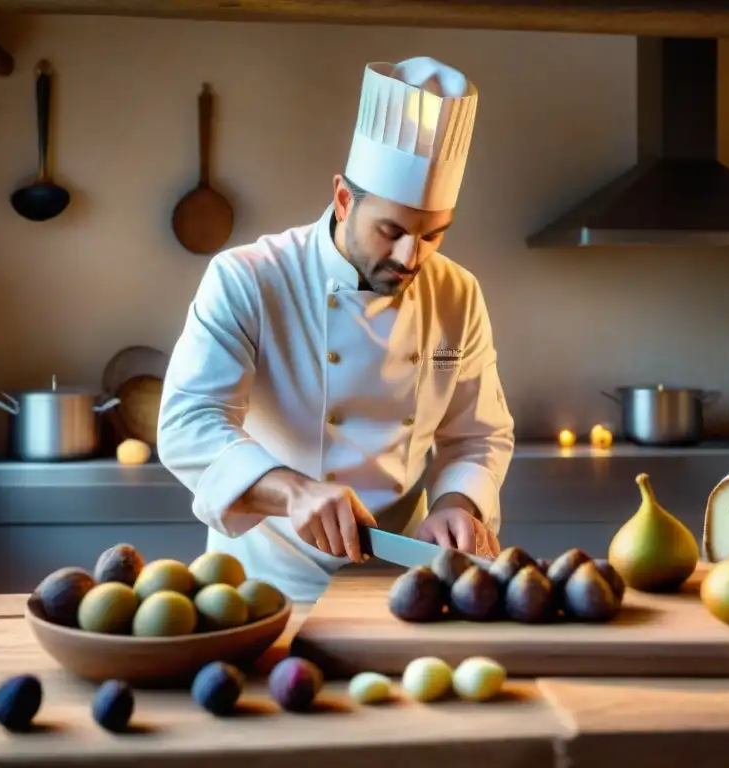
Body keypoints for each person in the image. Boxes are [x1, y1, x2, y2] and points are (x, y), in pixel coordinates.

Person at [156, 56, 515, 602]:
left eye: (433, 236)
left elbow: (478, 435)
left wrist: (456, 504)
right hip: (261, 587)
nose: (410, 256)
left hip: (405, 587)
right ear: (344, 199)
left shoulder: (457, 293)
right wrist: (294, 491)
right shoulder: (250, 277)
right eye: (390, 231)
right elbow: (189, 423)